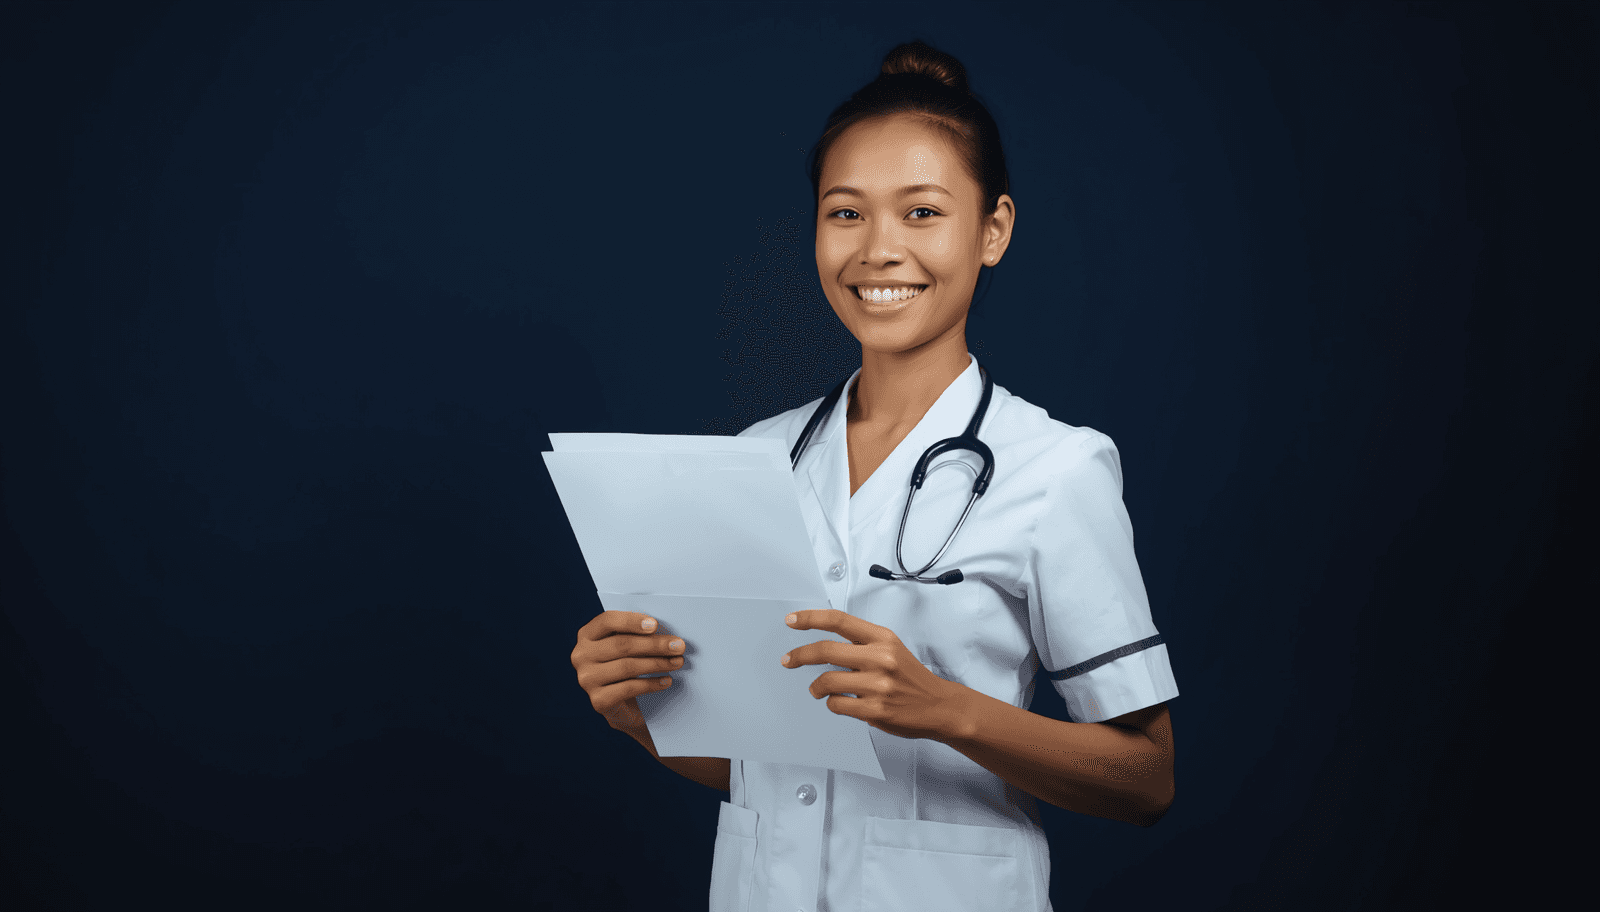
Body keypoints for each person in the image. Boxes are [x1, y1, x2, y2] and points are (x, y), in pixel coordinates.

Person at [570, 40, 1178, 912]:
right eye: (846, 214)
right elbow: (770, 775)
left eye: (922, 213)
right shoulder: (758, 457)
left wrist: (944, 708)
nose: (879, 251)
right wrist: (635, 713)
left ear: (993, 230)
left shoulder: (1056, 468)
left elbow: (1146, 778)